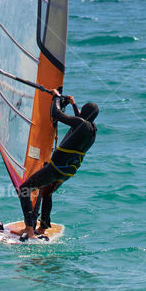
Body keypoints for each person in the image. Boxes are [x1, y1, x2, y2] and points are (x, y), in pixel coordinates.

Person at [16, 89, 99, 240]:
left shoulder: (81, 124)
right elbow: (79, 119)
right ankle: (43, 227)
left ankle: (29, 230)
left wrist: (56, 97)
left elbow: (56, 113)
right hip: (67, 172)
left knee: (24, 189)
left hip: (55, 169)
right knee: (47, 192)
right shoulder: (92, 130)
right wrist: (73, 105)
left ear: (84, 113)